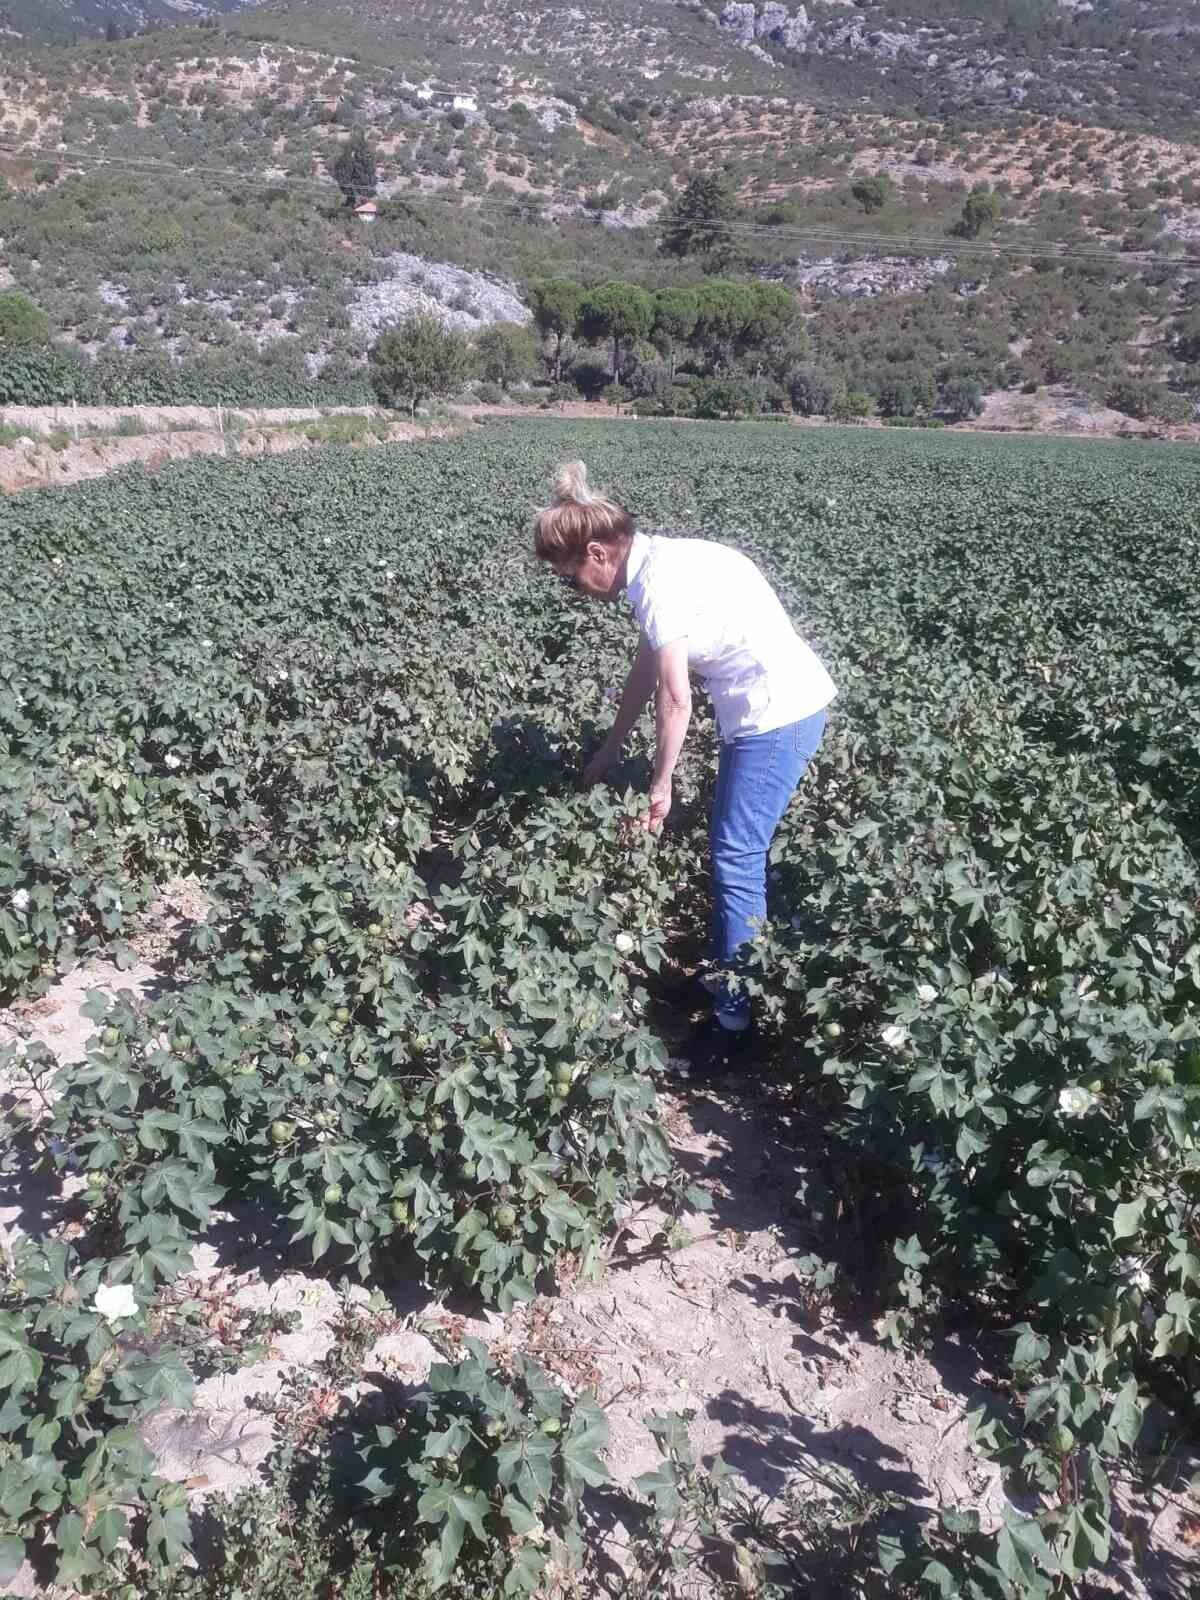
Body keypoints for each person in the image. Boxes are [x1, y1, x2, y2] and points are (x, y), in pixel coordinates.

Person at [533, 461, 836, 1077]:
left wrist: (660, 783)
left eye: (571, 578)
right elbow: (646, 674)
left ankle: (736, 1025)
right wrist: (613, 746)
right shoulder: (660, 562)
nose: (577, 591)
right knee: (732, 851)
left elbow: (675, 698)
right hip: (768, 707)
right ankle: (726, 977)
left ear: (598, 552)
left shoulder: (659, 585)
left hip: (775, 715)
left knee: (735, 855)